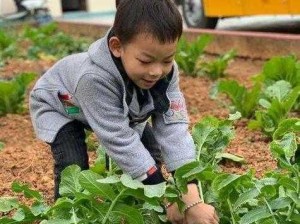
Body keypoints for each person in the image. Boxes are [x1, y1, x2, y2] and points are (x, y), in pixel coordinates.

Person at [29, 0, 219, 223]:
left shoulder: (165, 72)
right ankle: (67, 215)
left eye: (167, 60)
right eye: (146, 60)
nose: (156, 71)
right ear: (117, 47)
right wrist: (169, 200)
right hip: (60, 104)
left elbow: (173, 128)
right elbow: (118, 139)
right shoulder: (93, 79)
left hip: (118, 107)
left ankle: (146, 204)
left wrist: (190, 197)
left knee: (151, 150)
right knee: (74, 166)